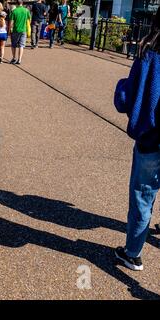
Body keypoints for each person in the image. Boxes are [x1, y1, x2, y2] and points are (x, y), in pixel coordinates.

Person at [113, 7, 160, 271]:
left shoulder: (147, 54)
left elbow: (125, 99)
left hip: (151, 138)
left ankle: (133, 253)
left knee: (143, 195)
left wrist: (122, 86)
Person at [9, 0, 31, 65]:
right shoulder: (26, 10)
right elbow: (29, 19)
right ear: (22, 3)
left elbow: (11, 22)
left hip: (15, 30)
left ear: (16, 3)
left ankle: (14, 58)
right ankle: (19, 60)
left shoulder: (14, 11)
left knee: (13, 45)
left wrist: (10, 30)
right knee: (21, 45)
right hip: (23, 30)